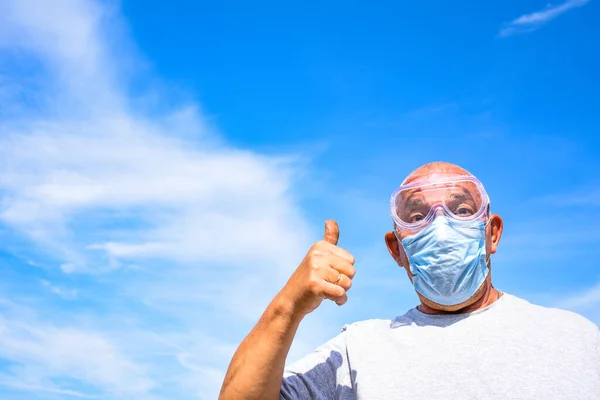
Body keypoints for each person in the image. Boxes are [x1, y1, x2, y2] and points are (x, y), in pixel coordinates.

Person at [218, 161, 600, 400]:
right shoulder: (358, 351)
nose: (442, 226)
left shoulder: (577, 339)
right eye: (417, 217)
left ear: (492, 233)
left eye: (462, 210)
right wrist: (288, 305)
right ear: (397, 249)